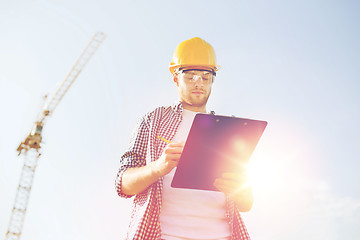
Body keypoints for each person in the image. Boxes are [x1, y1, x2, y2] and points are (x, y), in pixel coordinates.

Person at [115, 37, 253, 240]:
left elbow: (246, 203)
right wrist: (158, 167)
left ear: (212, 81)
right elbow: (122, 184)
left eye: (205, 78)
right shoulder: (153, 121)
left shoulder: (228, 129)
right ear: (175, 78)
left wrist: (239, 188)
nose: (199, 84)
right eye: (190, 77)